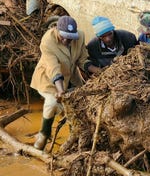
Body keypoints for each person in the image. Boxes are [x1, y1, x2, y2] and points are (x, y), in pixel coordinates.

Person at [30, 15, 99, 150]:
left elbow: (82, 60)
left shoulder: (79, 36)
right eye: (64, 37)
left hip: (70, 77)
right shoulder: (47, 41)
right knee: (52, 102)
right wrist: (61, 91)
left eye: (70, 37)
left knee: (80, 103)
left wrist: (98, 71)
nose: (67, 40)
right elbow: (53, 68)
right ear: (57, 30)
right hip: (48, 79)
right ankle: (44, 134)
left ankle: (76, 135)